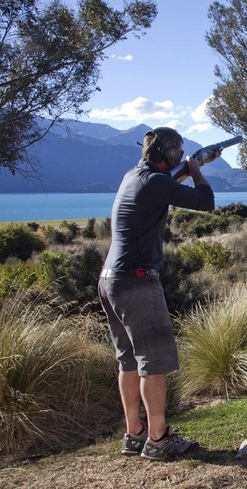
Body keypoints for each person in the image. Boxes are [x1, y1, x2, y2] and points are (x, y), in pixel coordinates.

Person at [98, 127, 220, 461]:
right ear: (166, 152)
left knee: (128, 360)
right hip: (137, 281)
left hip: (111, 278)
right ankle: (158, 438)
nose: (181, 156)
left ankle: (134, 434)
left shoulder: (136, 176)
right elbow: (206, 202)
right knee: (153, 362)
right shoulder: (155, 181)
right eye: (179, 152)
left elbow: (165, 187)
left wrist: (192, 167)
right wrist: (196, 171)